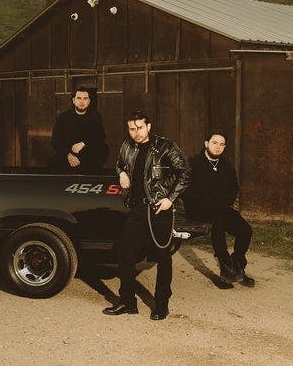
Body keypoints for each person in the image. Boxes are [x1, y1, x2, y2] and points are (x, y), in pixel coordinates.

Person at [103, 111, 190, 320]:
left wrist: (170, 199)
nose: (136, 133)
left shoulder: (165, 146)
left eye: (140, 128)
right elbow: (120, 164)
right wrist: (121, 173)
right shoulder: (127, 146)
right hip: (137, 209)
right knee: (125, 254)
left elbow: (185, 172)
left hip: (159, 209)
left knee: (163, 257)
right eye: (132, 129)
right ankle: (127, 302)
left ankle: (161, 304)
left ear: (148, 127)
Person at [183, 130, 255, 288]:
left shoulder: (226, 166)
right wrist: (208, 203)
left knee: (245, 230)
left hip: (221, 208)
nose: (218, 147)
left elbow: (233, 188)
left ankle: (237, 264)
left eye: (222, 144)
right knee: (219, 223)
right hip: (198, 208)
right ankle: (226, 270)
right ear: (206, 144)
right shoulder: (193, 163)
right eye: (214, 143)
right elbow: (186, 190)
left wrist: (223, 203)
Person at [49, 87, 108, 173]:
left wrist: (83, 144)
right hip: (68, 156)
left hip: (88, 157)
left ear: (89, 101)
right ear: (73, 100)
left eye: (85, 98)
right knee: (52, 163)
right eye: (79, 98)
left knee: (104, 148)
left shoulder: (95, 117)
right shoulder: (63, 117)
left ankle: (89, 175)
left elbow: (101, 137)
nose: (82, 101)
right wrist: (68, 155)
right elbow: (55, 141)